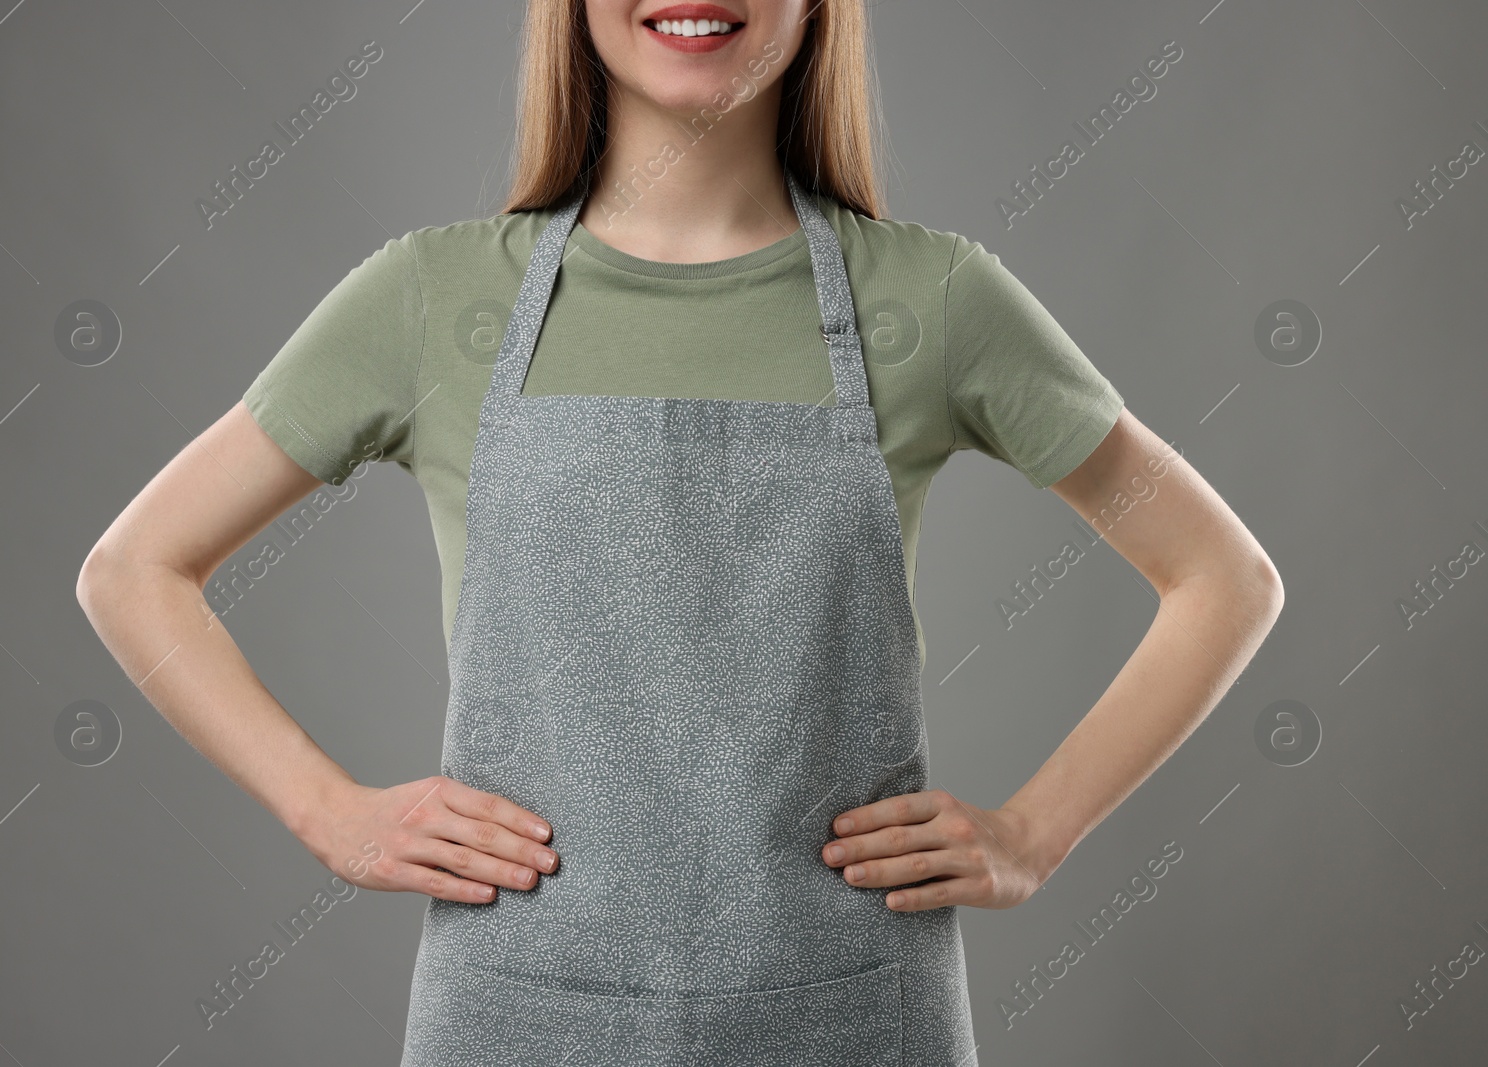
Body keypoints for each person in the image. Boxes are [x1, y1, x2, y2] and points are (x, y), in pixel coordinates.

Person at [76, 2, 1284, 1064]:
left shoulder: (933, 301)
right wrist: (325, 808)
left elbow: (1223, 577)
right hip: (515, 1012)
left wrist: (1032, 833)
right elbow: (136, 568)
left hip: (855, 1014)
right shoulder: (433, 299)